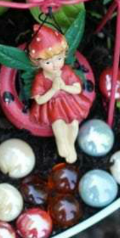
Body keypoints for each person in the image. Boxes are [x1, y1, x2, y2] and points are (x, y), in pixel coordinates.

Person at [28, 24, 92, 164]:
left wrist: (64, 87)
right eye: (48, 62)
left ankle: (71, 146)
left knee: (74, 123)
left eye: (58, 59)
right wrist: (53, 90)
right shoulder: (40, 78)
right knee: (58, 123)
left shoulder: (67, 71)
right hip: (51, 105)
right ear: (38, 63)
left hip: (69, 102)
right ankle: (62, 143)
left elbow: (77, 89)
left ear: (64, 55)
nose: (55, 65)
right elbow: (39, 100)